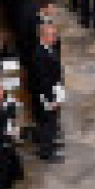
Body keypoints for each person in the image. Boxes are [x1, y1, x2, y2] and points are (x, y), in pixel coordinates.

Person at [32, 21, 64, 161]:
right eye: (52, 35)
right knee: (48, 122)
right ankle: (46, 152)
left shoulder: (49, 49)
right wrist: (51, 99)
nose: (55, 38)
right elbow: (42, 80)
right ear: (43, 37)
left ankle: (50, 143)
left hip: (53, 89)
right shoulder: (40, 54)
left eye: (55, 34)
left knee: (52, 121)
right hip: (47, 94)